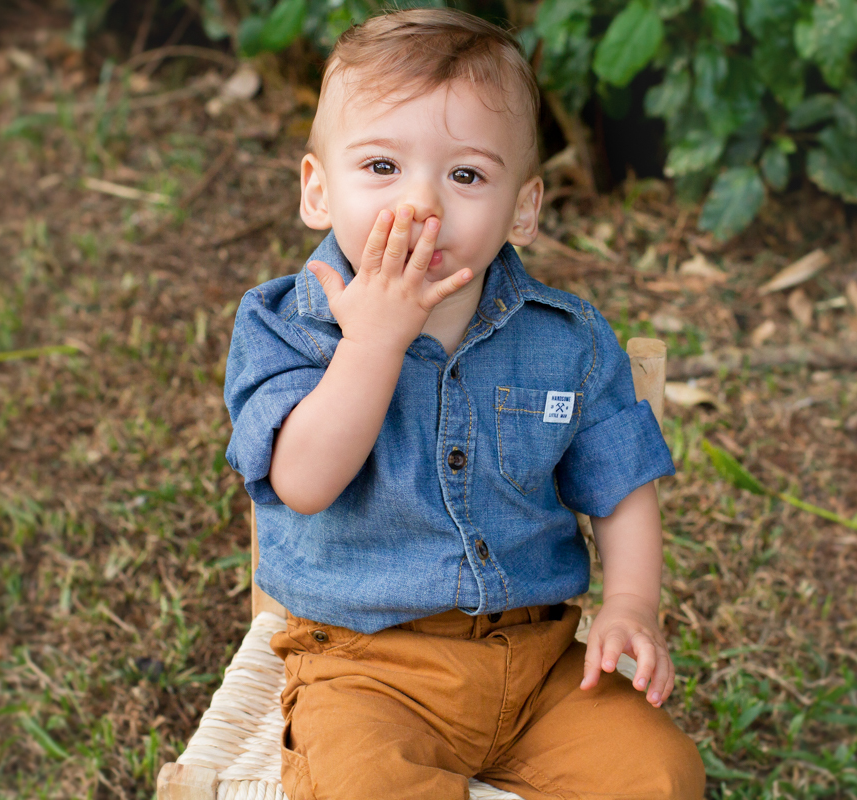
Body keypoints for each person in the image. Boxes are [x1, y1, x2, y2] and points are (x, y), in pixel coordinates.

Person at [223, 7, 706, 798]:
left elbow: (620, 485)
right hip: (362, 668)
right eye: (382, 166)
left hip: (541, 664)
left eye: (467, 175)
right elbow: (305, 482)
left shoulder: (570, 340)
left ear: (523, 208)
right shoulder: (285, 328)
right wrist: (373, 343)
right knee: (364, 786)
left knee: (660, 775)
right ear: (317, 189)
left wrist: (630, 604)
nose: (422, 204)